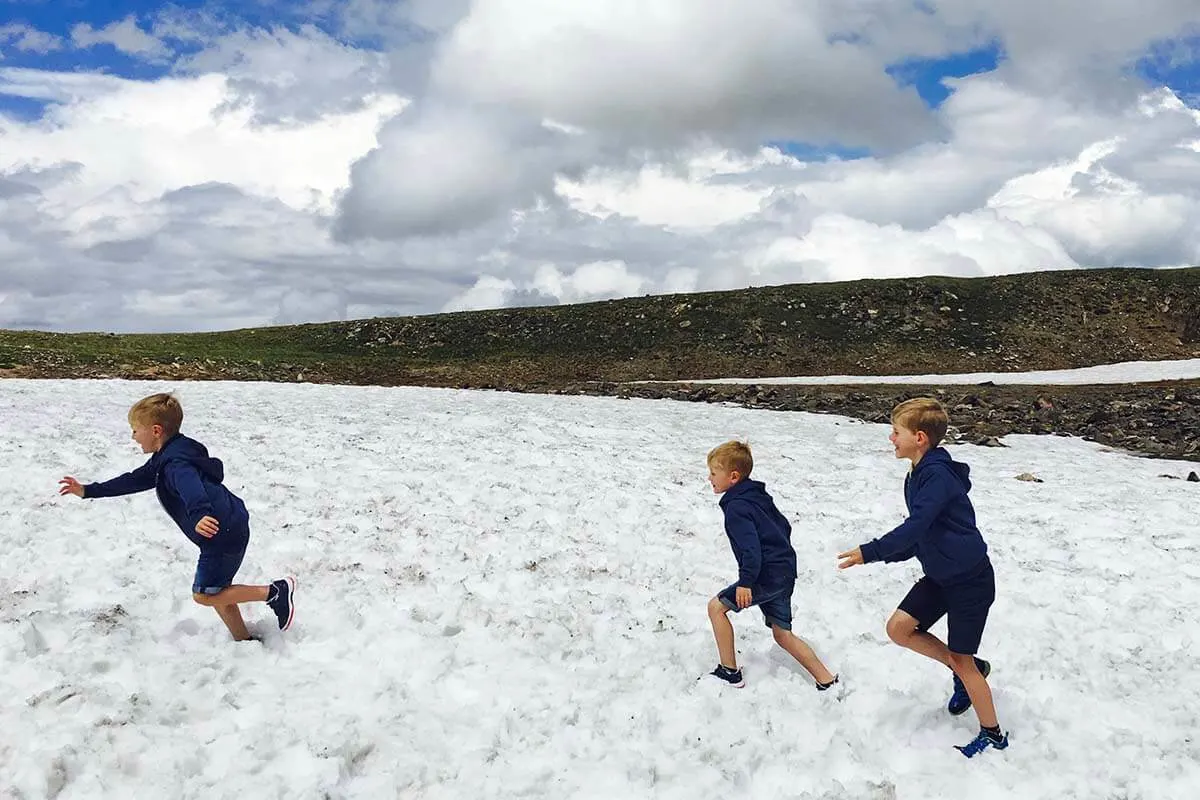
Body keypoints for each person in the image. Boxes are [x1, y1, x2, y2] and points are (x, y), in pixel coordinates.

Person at [836, 397, 1007, 758]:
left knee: (962, 659)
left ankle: (993, 734)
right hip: (941, 575)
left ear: (919, 437)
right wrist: (877, 557)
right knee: (899, 629)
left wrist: (872, 550)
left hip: (970, 583)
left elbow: (915, 527)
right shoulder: (916, 475)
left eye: (895, 432)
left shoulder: (938, 478)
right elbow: (922, 537)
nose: (890, 439)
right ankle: (968, 669)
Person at [58, 392, 295, 641]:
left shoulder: (175, 464)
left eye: (136, 430)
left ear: (156, 430)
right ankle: (243, 639)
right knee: (217, 590)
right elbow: (133, 480)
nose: (133, 437)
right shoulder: (170, 455)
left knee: (204, 594)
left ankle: (274, 592)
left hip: (220, 531)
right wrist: (88, 490)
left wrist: (200, 513)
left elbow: (191, 487)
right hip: (229, 524)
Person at [704, 440, 838, 691]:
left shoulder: (737, 507)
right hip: (784, 573)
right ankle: (827, 680)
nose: (709, 477)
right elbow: (784, 526)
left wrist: (746, 582)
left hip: (764, 576)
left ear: (733, 477)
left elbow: (751, 550)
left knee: (716, 608)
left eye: (713, 472)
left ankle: (729, 672)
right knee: (782, 634)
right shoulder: (758, 496)